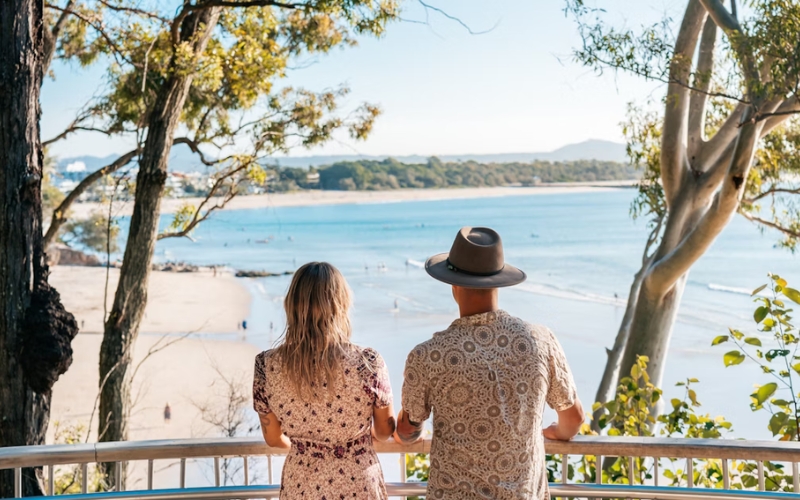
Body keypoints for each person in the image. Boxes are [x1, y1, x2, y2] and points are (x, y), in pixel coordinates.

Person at [394, 227, 584, 500]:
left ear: (453, 285)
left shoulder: (428, 356)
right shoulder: (540, 340)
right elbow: (573, 419)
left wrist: (406, 430)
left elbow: (408, 431)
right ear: (498, 282)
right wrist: (556, 432)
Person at [253, 262, 396, 499]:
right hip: (357, 483)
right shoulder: (368, 362)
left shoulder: (266, 366)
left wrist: (311, 450)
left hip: (301, 483)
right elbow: (383, 431)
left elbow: (273, 438)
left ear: (291, 305)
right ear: (341, 305)